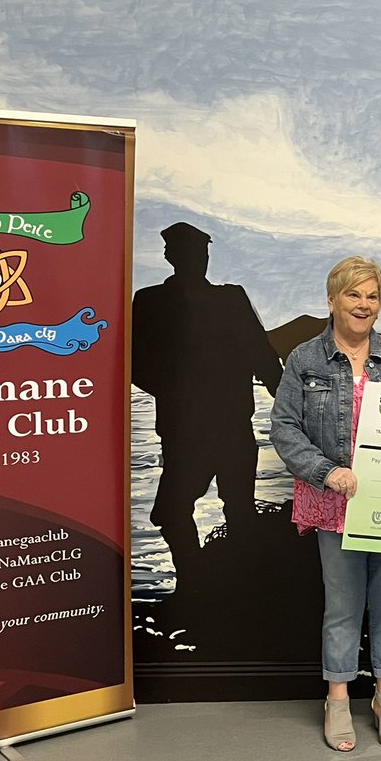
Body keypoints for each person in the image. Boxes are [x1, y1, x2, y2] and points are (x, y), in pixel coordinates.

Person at [270, 257, 381, 752]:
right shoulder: (304, 359)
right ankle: (337, 697)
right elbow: (284, 427)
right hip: (331, 504)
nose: (364, 305)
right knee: (341, 607)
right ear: (332, 299)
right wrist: (326, 472)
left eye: (372, 296)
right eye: (353, 295)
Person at [132, 222, 283, 595]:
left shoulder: (231, 298)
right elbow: (135, 364)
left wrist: (295, 412)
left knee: (239, 510)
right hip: (184, 432)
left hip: (232, 428)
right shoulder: (150, 301)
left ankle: (237, 589)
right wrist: (176, 391)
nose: (197, 258)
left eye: (201, 251)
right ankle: (194, 581)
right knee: (171, 510)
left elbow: (263, 358)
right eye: (187, 251)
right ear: (170, 255)